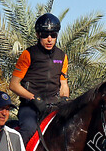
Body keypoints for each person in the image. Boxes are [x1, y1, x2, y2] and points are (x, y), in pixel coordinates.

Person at [9, 13, 69, 142]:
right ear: (38, 35)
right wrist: (34, 98)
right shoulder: (28, 54)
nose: (49, 39)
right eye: (45, 35)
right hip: (31, 107)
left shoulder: (62, 57)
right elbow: (13, 85)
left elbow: (63, 84)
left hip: (53, 106)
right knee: (29, 129)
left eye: (53, 35)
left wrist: (65, 99)